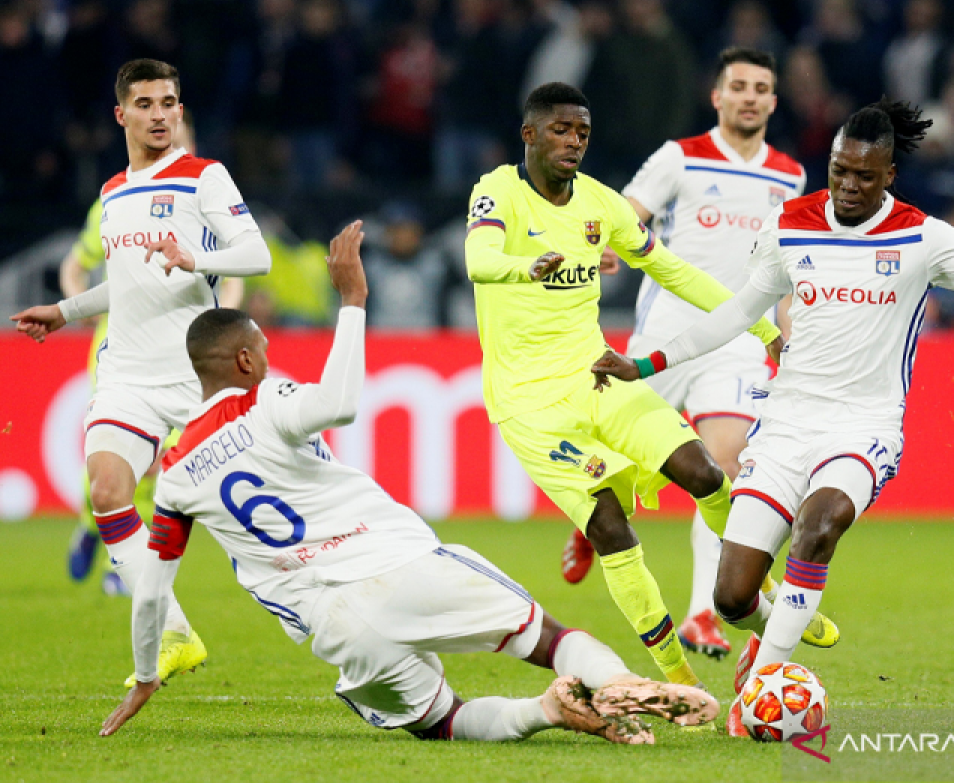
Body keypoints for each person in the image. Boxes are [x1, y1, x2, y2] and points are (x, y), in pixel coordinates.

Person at [591, 97, 954, 735]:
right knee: (732, 598)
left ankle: (764, 678)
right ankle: (765, 636)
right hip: (787, 424)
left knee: (819, 527)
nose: (847, 186)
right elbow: (738, 314)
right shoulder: (790, 224)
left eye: (863, 176)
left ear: (889, 177)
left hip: (864, 426)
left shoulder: (923, 238)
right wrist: (648, 364)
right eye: (839, 170)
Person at [98, 221, 718, 744]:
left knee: (440, 722)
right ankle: (616, 683)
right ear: (244, 361)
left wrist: (148, 672)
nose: (267, 355)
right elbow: (340, 403)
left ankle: (548, 712)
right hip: (397, 564)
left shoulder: (175, 473)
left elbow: (152, 591)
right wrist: (352, 301)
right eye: (261, 348)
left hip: (337, 630)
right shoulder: (265, 399)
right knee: (546, 639)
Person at [464, 82, 781, 688]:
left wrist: (761, 326)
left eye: (582, 132)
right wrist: (522, 267)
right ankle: (678, 677)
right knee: (611, 524)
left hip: (597, 376)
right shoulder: (498, 190)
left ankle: (763, 596)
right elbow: (478, 260)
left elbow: (676, 271)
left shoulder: (601, 205)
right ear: (529, 134)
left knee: (707, 474)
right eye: (560, 130)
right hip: (530, 404)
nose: (573, 142)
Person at [560, 47, 837, 662]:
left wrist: (792, 333)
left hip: (737, 344)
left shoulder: (790, 176)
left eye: (761, 88)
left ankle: (700, 617)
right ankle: (593, 524)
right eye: (738, 86)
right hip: (664, 338)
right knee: (611, 464)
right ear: (717, 96)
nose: (749, 97)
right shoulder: (679, 157)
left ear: (772, 100)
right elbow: (626, 215)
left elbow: (784, 274)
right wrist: (607, 246)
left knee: (728, 470)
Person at [10, 58, 272, 685]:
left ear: (180, 112)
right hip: (125, 374)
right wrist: (65, 310)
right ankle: (175, 631)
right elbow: (122, 286)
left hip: (191, 379)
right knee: (106, 491)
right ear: (121, 114)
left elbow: (256, 254)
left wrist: (195, 256)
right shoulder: (111, 194)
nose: (160, 115)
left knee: (258, 532)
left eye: (170, 103)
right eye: (147, 104)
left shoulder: (205, 176)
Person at [62, 111, 245, 595]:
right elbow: (75, 265)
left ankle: (120, 557)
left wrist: (221, 324)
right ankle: (98, 535)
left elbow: (238, 268)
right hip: (119, 349)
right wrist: (72, 306)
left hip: (185, 353)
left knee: (170, 461)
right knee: (115, 463)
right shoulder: (113, 199)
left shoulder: (204, 192)